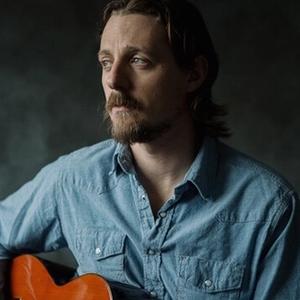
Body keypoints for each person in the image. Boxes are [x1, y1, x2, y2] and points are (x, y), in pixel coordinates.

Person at [0, 0, 299, 299]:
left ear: (193, 74)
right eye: (106, 62)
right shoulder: (73, 181)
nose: (114, 80)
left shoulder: (270, 210)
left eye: (138, 60)